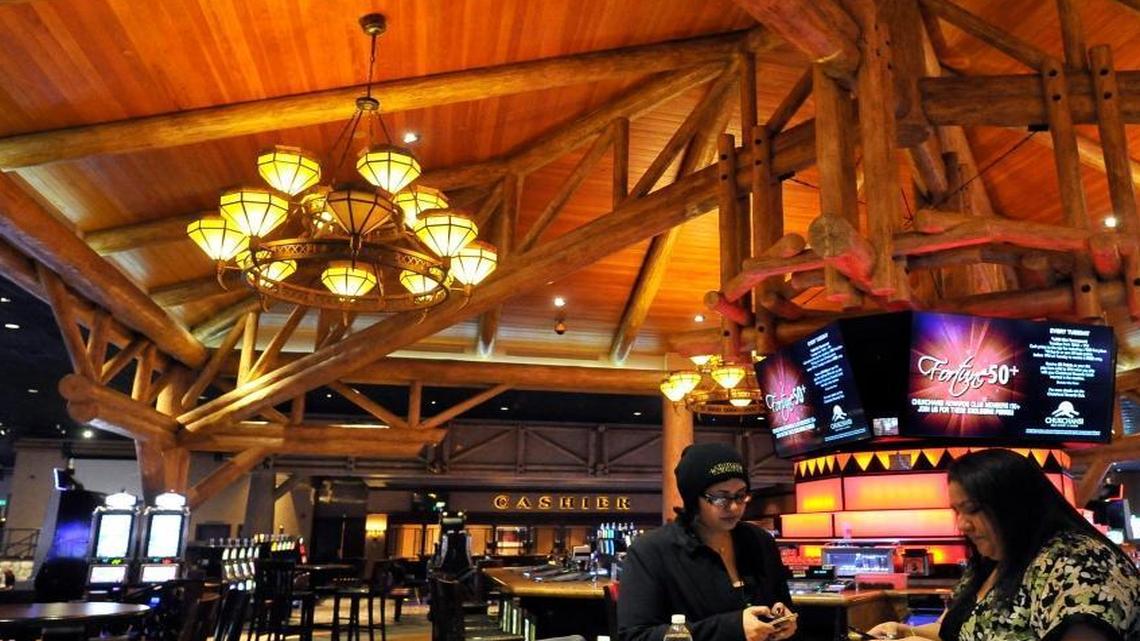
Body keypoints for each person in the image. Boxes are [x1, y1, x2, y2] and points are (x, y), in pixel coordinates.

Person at [868, 448, 1140, 641]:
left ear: (1016, 507)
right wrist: (904, 631)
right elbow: (953, 630)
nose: (962, 524)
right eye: (957, 511)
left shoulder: (1080, 563)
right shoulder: (992, 561)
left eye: (973, 509)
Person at [618, 443, 796, 641]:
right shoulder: (651, 551)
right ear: (693, 499)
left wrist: (784, 620)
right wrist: (733, 629)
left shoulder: (760, 541)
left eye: (741, 495)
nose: (734, 507)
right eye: (721, 498)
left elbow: (782, 603)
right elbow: (636, 636)